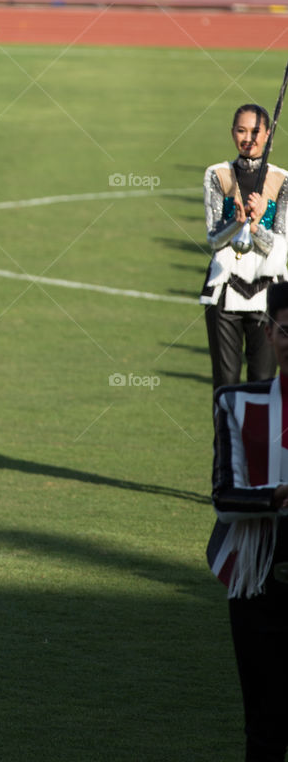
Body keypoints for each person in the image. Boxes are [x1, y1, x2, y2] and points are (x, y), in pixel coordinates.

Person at [208, 280, 288, 761]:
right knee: (264, 727)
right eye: (286, 331)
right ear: (269, 332)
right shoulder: (237, 402)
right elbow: (223, 497)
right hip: (257, 581)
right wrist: (276, 496)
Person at [201, 104, 288, 391]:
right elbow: (213, 239)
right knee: (224, 386)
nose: (248, 138)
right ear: (232, 133)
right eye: (241, 130)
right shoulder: (217, 175)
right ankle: (224, 438)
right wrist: (236, 223)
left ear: (267, 136)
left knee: (263, 385)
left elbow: (281, 247)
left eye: (255, 131)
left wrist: (254, 227)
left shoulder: (282, 180)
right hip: (224, 293)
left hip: (267, 295)